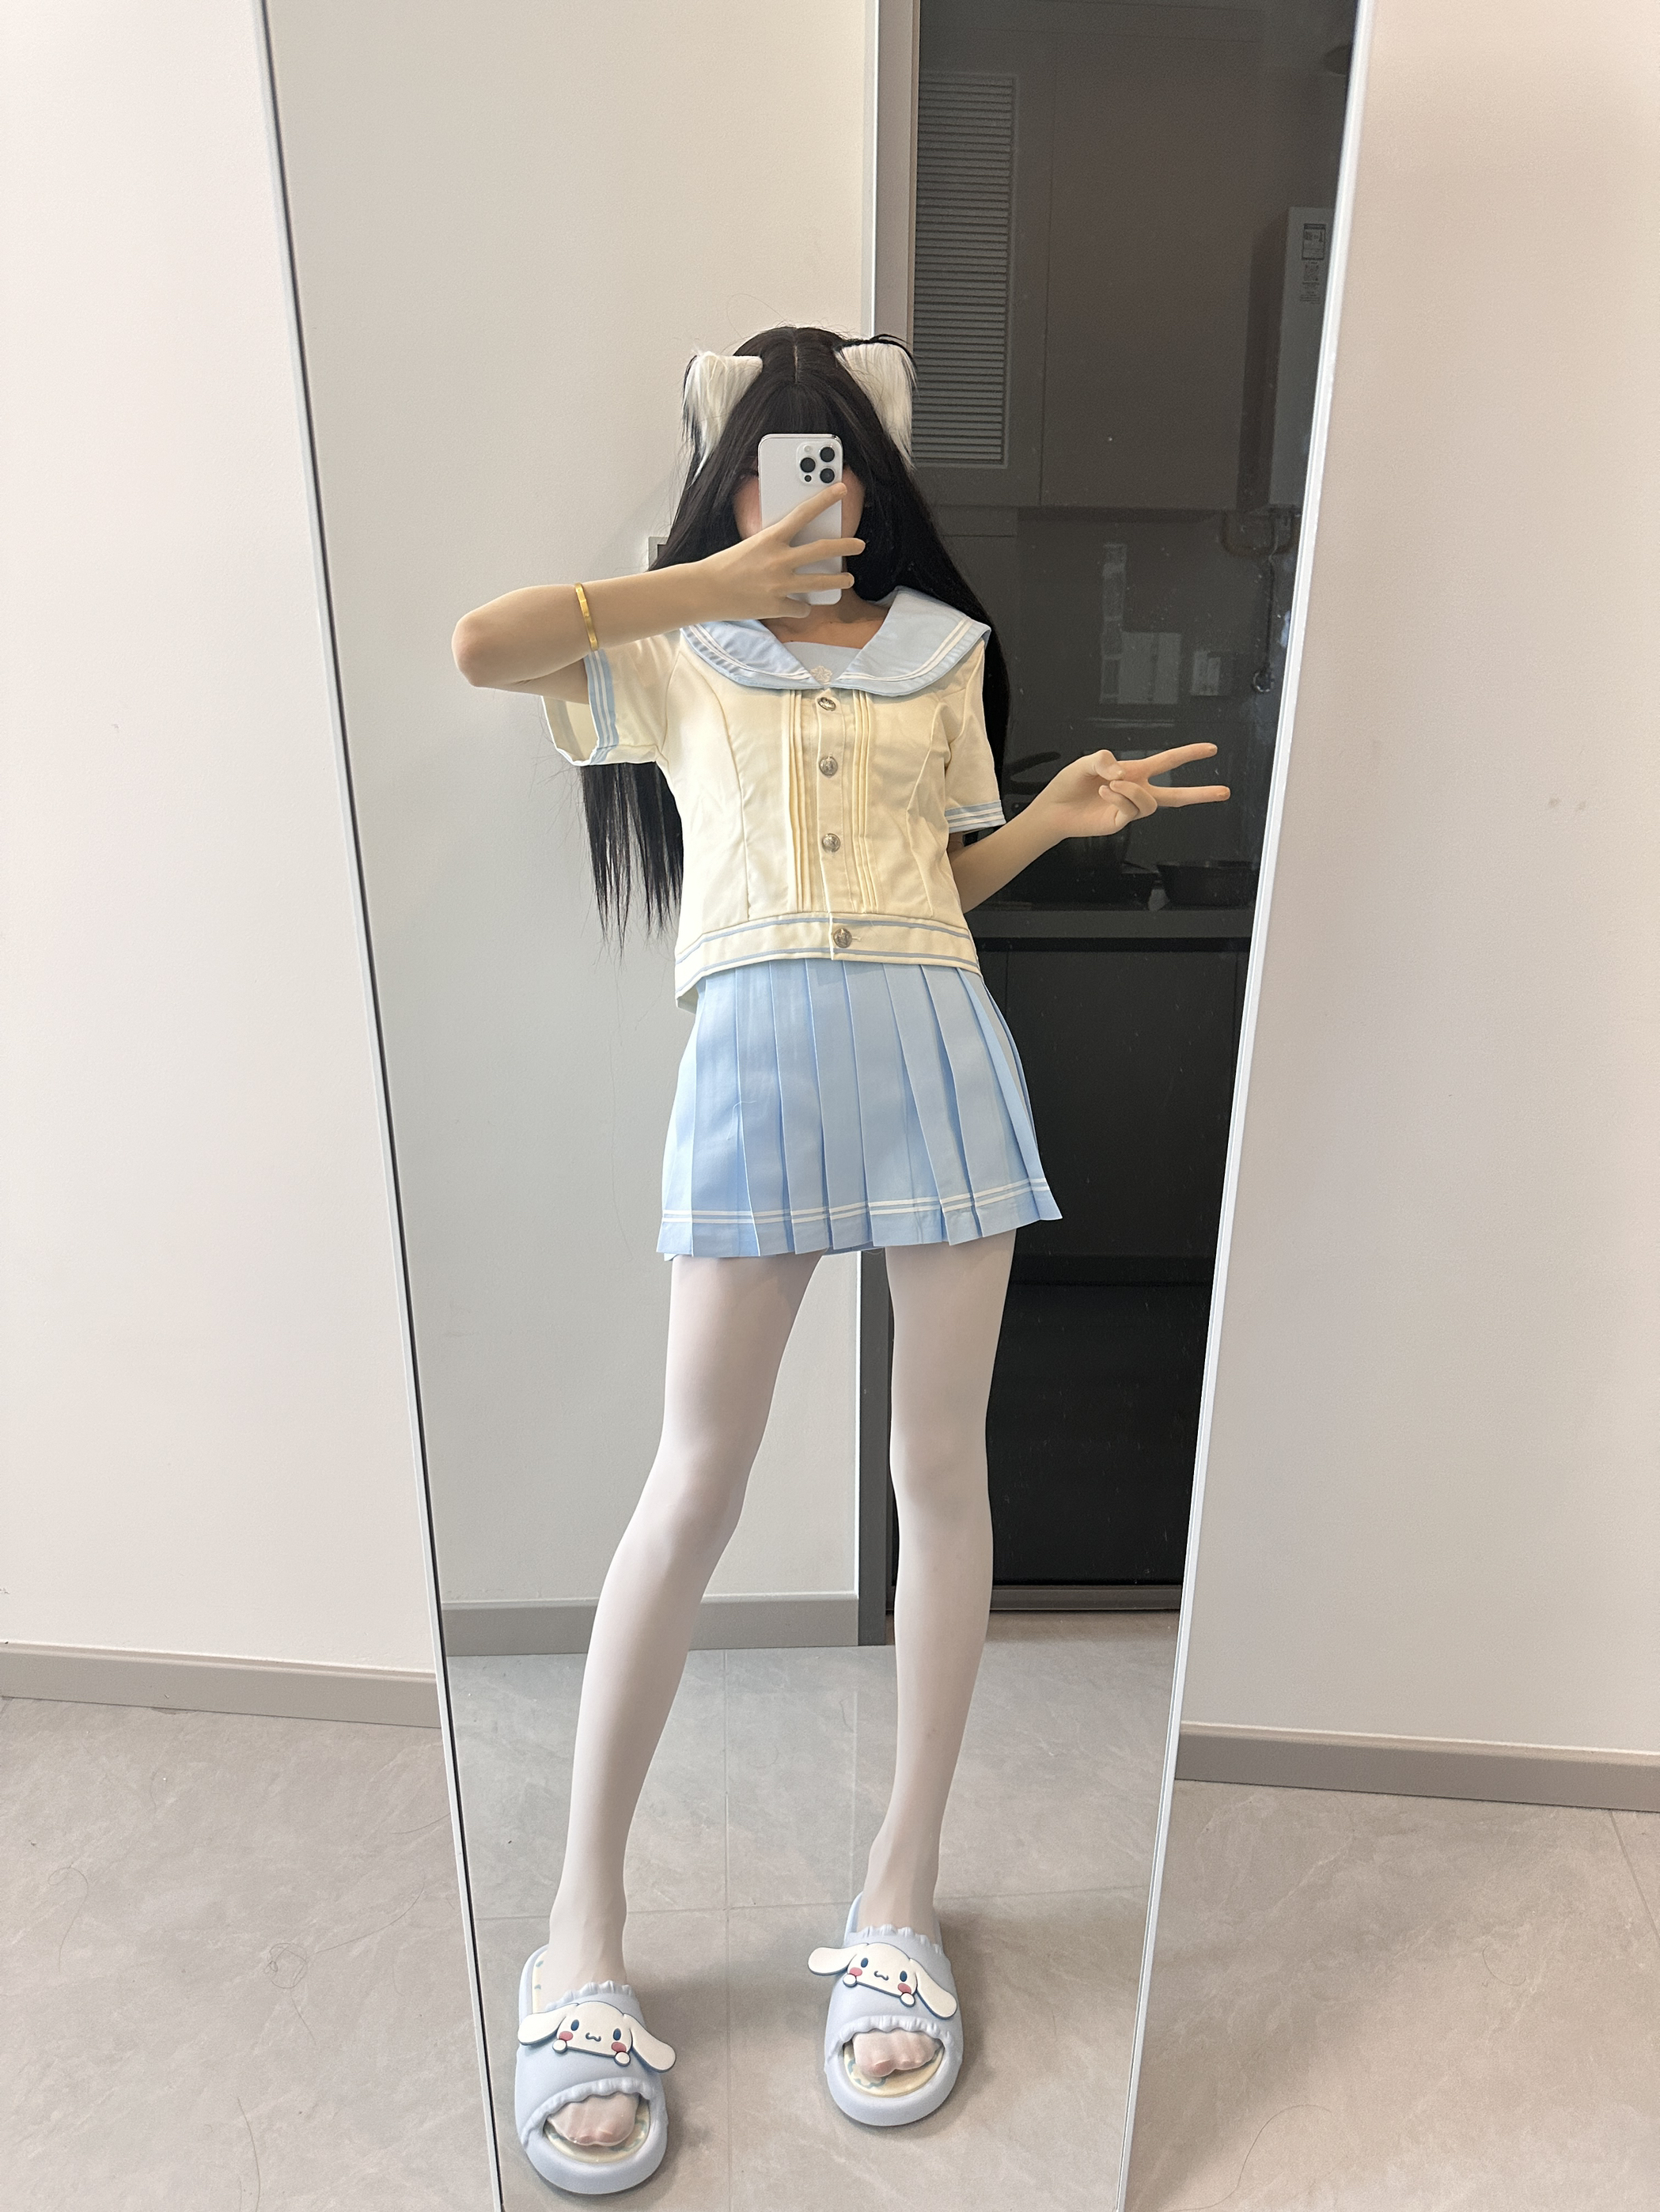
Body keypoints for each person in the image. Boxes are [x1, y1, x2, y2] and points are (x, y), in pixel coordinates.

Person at [453, 325, 1228, 2193]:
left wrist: (1043, 822)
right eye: (773, 454)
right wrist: (703, 581)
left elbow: (921, 886)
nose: (810, 484)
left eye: (835, 457)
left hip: (934, 1048)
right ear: (724, 477)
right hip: (751, 1062)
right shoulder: (670, 642)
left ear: (875, 483)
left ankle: (897, 1894)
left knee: (935, 1473)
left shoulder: (942, 652)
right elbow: (480, 645)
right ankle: (579, 1931)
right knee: (691, 1482)